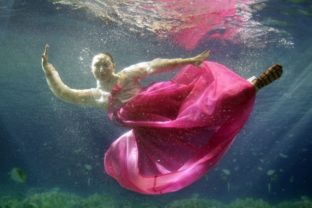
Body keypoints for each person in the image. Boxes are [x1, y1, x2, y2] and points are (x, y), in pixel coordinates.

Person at [41, 44, 282, 194]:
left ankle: (250, 85)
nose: (101, 66)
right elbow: (65, 93)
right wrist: (49, 72)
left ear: (113, 65)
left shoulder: (126, 75)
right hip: (150, 131)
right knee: (192, 131)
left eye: (105, 62)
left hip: (163, 105)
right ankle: (246, 87)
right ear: (91, 70)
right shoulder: (94, 95)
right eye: (97, 64)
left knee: (203, 107)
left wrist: (188, 61)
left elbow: (155, 66)